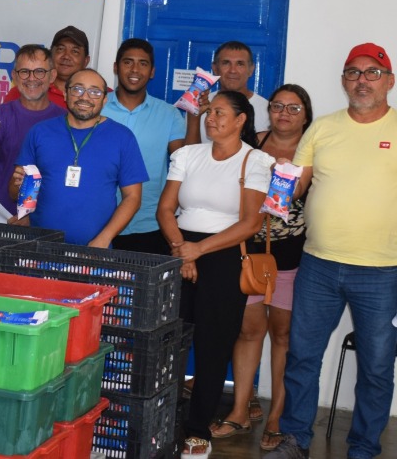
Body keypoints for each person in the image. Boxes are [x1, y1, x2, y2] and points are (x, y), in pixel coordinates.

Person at [264, 43, 397, 459]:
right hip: (318, 264)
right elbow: (297, 185)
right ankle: (295, 440)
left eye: (372, 72)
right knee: (303, 357)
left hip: (381, 270)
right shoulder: (322, 128)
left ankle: (364, 448)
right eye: (353, 72)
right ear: (343, 81)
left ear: (389, 82)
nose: (362, 80)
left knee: (376, 367)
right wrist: (277, 188)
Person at [156, 90, 274, 459]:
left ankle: (197, 430)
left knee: (213, 348)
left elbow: (250, 223)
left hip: (224, 258)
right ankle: (160, 422)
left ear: (241, 120)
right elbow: (165, 209)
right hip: (179, 250)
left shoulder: (256, 160)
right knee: (167, 344)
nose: (211, 118)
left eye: (220, 113)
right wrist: (182, 250)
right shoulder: (188, 154)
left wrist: (199, 250)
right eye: (209, 112)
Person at [210, 84, 313, 451]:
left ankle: (276, 418)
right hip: (250, 252)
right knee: (248, 330)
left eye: (293, 108)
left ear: (306, 114)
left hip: (292, 256)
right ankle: (240, 410)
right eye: (278, 106)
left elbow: (299, 196)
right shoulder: (253, 144)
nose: (284, 113)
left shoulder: (312, 149)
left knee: (283, 336)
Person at [10, 68, 148, 246]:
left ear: (105, 99)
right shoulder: (40, 132)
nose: (85, 97)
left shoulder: (123, 137)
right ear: (65, 94)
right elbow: (14, 193)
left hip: (95, 250)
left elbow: (133, 198)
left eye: (95, 92)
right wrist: (18, 187)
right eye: (77, 89)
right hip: (39, 246)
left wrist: (104, 238)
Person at [101, 38, 185, 254]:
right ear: (116, 67)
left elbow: (184, 163)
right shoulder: (96, 107)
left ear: (152, 71)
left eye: (143, 63)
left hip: (150, 224)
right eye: (128, 62)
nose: (135, 70)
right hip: (98, 220)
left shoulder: (169, 114)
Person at [0, 45, 65, 214]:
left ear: (52, 76)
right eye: (24, 71)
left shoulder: (64, 120)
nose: (31, 78)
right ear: (14, 76)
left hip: (43, 219)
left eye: (39, 71)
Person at [185, 41, 270, 144]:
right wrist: (194, 118)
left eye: (240, 64)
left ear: (251, 70)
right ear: (215, 68)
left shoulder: (267, 110)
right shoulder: (200, 104)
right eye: (226, 63)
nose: (232, 70)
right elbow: (189, 152)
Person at [2, 25, 91, 109]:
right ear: (50, 55)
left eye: (75, 51)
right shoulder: (23, 91)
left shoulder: (94, 96)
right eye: (60, 49)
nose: (66, 56)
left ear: (86, 61)